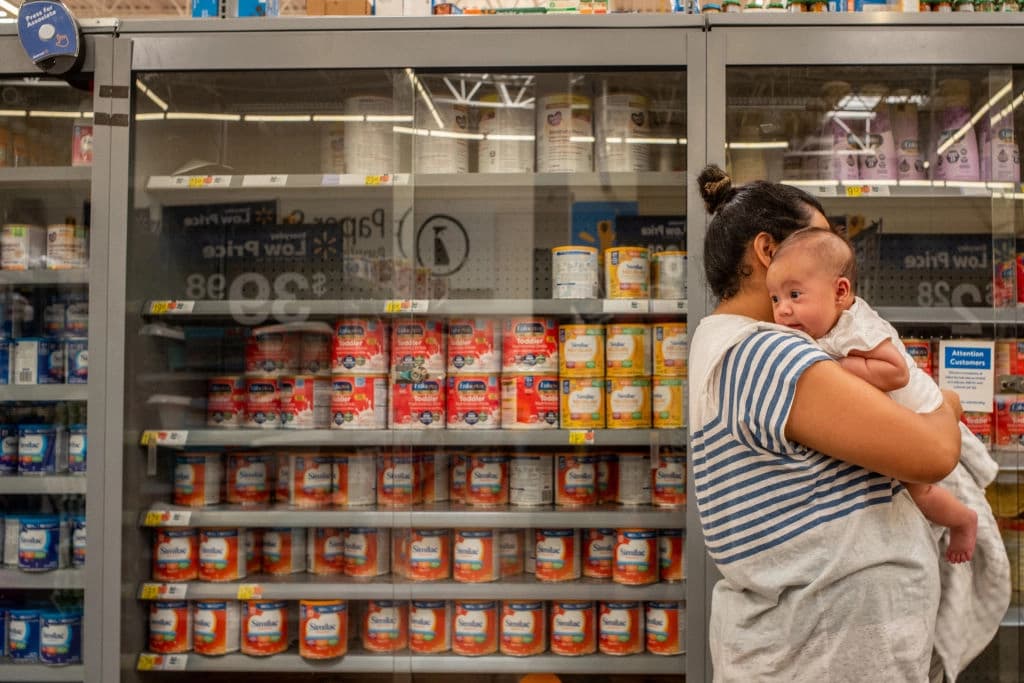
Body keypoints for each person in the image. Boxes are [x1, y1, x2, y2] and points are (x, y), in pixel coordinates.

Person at [689, 165, 963, 681]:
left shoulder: (725, 346)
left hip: (812, 644)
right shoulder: (763, 350)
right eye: (816, 242)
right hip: (827, 651)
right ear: (768, 253)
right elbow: (935, 454)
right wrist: (946, 403)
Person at [765, 227, 978, 563]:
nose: (782, 310)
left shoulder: (855, 327)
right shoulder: (823, 329)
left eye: (795, 295)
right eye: (775, 299)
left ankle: (964, 520)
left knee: (921, 492)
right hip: (901, 421)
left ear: (840, 291)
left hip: (923, 414)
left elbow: (895, 371)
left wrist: (839, 367)